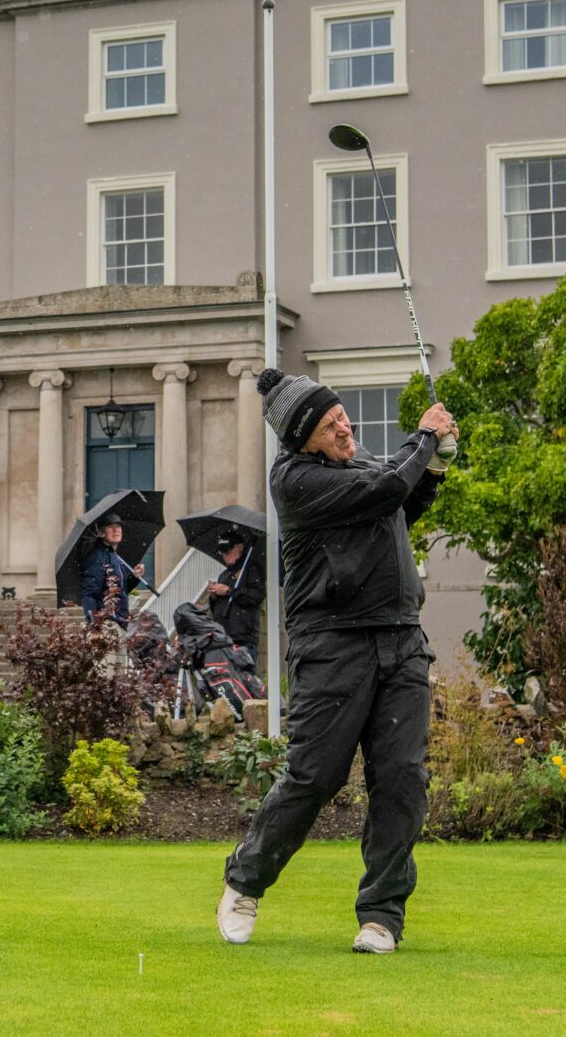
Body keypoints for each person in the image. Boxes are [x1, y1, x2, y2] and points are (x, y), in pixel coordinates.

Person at [218, 368, 457, 955]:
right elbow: (388, 491)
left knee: (401, 779)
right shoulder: (296, 481)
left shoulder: (356, 466)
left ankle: (381, 917)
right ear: (302, 439)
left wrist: (438, 463)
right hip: (333, 646)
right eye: (329, 425)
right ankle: (243, 883)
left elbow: (401, 505)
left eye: (341, 414)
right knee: (314, 777)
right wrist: (424, 439)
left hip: (400, 639)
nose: (344, 426)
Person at [198, 533, 264, 670]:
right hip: (223, 639)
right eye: (222, 552)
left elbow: (256, 596)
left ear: (239, 548)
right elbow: (217, 609)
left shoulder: (252, 570)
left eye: (228, 551)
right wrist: (214, 597)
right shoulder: (224, 575)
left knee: (243, 683)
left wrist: (229, 591)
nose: (224, 556)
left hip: (243, 640)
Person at [77, 516, 140, 628]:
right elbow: (90, 594)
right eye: (111, 527)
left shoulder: (113, 555)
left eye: (118, 526)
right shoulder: (97, 557)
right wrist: (93, 624)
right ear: (101, 532)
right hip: (108, 623)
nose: (116, 530)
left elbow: (120, 591)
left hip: (120, 620)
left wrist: (135, 577)